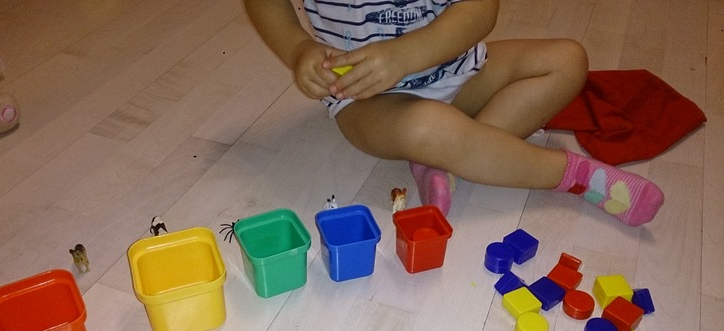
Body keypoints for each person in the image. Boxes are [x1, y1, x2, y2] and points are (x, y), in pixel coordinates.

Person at [243, 0, 664, 226]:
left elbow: (480, 9)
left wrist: (405, 55)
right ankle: (574, 176)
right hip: (369, 100)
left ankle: (448, 160)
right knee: (430, 126)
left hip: (460, 72)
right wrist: (298, 48)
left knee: (568, 59)